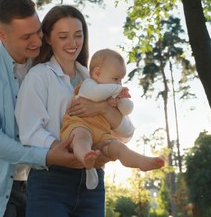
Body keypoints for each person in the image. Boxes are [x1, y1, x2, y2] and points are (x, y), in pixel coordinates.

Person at [0, 0, 81, 217]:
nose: (36, 41)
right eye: (26, 37)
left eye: (38, 32)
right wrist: (47, 156)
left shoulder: (45, 63)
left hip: (39, 181)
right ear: (1, 35)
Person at [15, 5, 133, 216]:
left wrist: (102, 108)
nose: (73, 43)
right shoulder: (39, 76)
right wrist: (64, 151)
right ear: (49, 39)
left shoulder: (94, 79)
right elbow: (30, 131)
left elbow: (127, 133)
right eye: (63, 37)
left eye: (78, 35)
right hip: (50, 181)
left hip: (92, 182)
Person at [60, 48, 165, 189]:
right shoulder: (89, 85)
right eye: (115, 79)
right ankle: (86, 156)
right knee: (81, 138)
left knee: (117, 146)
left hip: (102, 132)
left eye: (121, 80)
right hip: (79, 124)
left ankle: (140, 161)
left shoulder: (113, 92)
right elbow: (95, 94)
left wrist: (120, 101)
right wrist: (115, 91)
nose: (119, 84)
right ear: (97, 73)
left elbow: (128, 109)